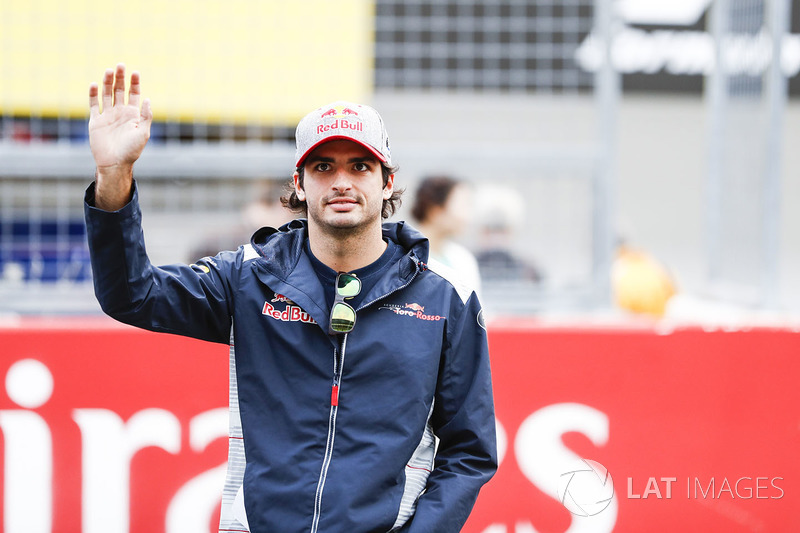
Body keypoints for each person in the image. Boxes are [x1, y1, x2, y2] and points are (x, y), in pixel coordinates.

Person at [84, 64, 497, 533]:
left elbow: (470, 452)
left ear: (386, 183)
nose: (341, 181)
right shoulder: (248, 277)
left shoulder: (447, 298)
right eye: (324, 167)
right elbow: (131, 294)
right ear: (299, 184)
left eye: (359, 166)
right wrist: (113, 175)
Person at [410, 175, 482, 295]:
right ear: (435, 210)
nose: (468, 217)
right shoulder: (403, 256)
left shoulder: (462, 259)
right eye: (463, 205)